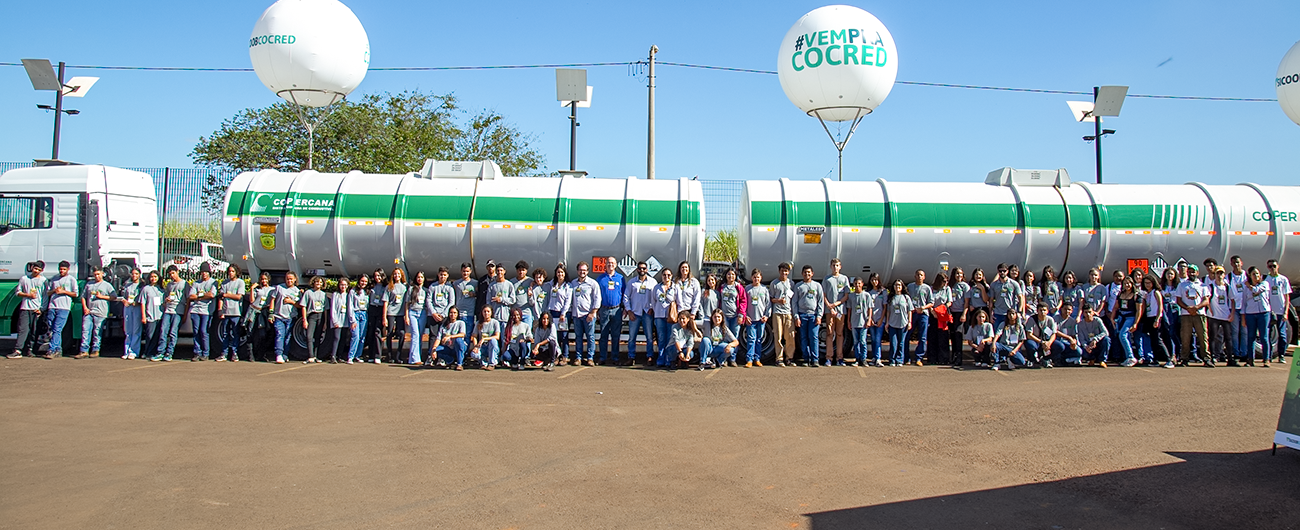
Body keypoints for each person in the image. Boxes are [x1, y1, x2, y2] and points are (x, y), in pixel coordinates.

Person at [1176, 265, 1211, 367]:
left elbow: (1206, 300)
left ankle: (1206, 358)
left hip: (1200, 314)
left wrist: (1196, 307)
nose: (1191, 274)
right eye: (1189, 271)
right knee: (1185, 337)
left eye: (1193, 272)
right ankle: (1184, 358)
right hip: (1186, 314)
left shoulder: (1202, 285)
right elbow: (1178, 300)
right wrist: (1188, 308)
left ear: (1197, 273)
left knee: (1203, 337)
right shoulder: (1182, 285)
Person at [8, 261, 45, 359]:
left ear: (42, 271)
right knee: (23, 329)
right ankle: (18, 350)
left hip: (36, 309)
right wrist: (27, 295)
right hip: (25, 307)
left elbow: (45, 296)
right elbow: (18, 292)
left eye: (39, 270)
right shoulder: (24, 279)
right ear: (32, 268)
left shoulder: (43, 281)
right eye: (35, 268)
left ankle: (30, 349)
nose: (36, 271)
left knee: (34, 331)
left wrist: (41, 309)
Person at [77, 266, 115, 359]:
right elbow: (83, 297)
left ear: (102, 274)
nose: (97, 276)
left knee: (97, 332)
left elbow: (113, 297)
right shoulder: (89, 284)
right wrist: (85, 308)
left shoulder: (107, 285)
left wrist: (102, 297)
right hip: (89, 311)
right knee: (85, 330)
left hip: (101, 312)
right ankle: (84, 350)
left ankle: (95, 350)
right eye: (95, 275)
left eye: (98, 274)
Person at [624, 261, 657, 366]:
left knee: (649, 337)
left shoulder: (653, 282)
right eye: (640, 268)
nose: (642, 270)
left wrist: (652, 308)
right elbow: (626, 297)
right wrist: (629, 310)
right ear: (637, 270)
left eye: (644, 268)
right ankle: (631, 357)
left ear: (647, 270)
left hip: (647, 312)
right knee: (632, 337)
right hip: (635, 313)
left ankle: (650, 357)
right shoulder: (632, 282)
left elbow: (657, 297)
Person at [43, 261, 78, 358]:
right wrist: (54, 290)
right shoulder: (54, 279)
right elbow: (48, 292)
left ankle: (52, 349)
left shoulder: (71, 280)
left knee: (57, 329)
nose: (62, 271)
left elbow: (75, 294)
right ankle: (58, 349)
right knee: (51, 327)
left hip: (64, 307)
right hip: (53, 306)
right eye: (60, 269)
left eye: (64, 269)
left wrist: (64, 291)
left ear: (68, 269)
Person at [570, 261, 601, 366]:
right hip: (576, 314)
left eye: (584, 270)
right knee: (578, 337)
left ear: (587, 271)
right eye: (580, 270)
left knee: (590, 337)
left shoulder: (592, 283)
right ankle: (578, 357)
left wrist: (593, 313)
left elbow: (597, 299)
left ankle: (590, 358)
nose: (582, 272)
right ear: (577, 271)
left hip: (588, 315)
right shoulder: (573, 283)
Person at [793, 265, 825, 367]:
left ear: (812, 274)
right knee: (803, 338)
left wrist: (819, 316)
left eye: (809, 272)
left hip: (813, 315)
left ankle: (815, 359)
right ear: (802, 274)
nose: (807, 274)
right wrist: (796, 316)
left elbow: (821, 301)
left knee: (814, 337)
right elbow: (794, 302)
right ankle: (806, 359)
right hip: (802, 315)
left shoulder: (817, 286)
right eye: (805, 272)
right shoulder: (798, 286)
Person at [822, 259, 851, 367]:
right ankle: (829, 357)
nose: (835, 267)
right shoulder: (827, 279)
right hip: (829, 311)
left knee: (839, 334)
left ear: (840, 267)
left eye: (837, 265)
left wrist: (837, 304)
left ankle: (839, 358)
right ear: (830, 266)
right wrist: (829, 306)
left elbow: (846, 295)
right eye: (833, 265)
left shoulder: (844, 279)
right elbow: (823, 294)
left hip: (840, 311)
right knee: (829, 334)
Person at [596, 256, 625, 365]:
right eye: (608, 263)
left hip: (616, 310)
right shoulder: (600, 278)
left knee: (616, 335)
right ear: (605, 265)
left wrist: (624, 308)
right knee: (603, 335)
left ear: (616, 265)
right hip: (604, 310)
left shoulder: (620, 278)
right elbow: (596, 295)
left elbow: (624, 294)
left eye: (612, 263)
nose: (610, 265)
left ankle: (615, 358)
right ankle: (602, 357)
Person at [186, 263, 218, 361]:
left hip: (206, 311)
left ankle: (205, 352)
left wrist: (199, 296)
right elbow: (191, 296)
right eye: (202, 272)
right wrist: (204, 296)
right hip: (195, 310)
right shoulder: (196, 283)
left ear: (209, 273)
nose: (204, 274)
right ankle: (197, 352)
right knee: (196, 331)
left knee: (204, 331)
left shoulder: (213, 282)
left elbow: (212, 295)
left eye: (206, 272)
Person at [156, 266, 188, 362]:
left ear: (177, 272)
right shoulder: (169, 285)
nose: (172, 276)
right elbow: (166, 295)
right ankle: (160, 352)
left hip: (178, 311)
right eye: (170, 274)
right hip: (168, 310)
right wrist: (166, 300)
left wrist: (185, 314)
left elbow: (188, 299)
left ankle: (169, 353)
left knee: (173, 332)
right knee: (163, 331)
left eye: (173, 273)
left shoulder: (184, 284)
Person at [542, 264, 573, 364]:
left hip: (563, 313)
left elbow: (568, 301)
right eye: (558, 272)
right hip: (552, 312)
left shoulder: (568, 286)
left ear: (565, 274)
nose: (560, 274)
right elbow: (542, 285)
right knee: (554, 336)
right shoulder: (552, 284)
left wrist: (563, 313)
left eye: (562, 272)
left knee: (563, 336)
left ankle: (565, 356)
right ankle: (555, 355)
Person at [719, 267, 750, 367]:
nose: (730, 276)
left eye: (732, 274)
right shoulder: (722, 286)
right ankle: (724, 358)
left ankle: (733, 359)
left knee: (735, 338)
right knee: (724, 337)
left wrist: (741, 315)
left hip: (735, 316)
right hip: (724, 317)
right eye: (729, 274)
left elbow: (743, 301)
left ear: (735, 276)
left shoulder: (739, 287)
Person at [268, 271, 301, 364]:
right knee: (280, 334)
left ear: (295, 280)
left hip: (291, 317)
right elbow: (272, 300)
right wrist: (271, 313)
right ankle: (278, 354)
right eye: (287, 279)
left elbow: (299, 305)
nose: (289, 281)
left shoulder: (297, 291)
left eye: (291, 279)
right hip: (279, 316)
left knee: (288, 336)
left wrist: (291, 302)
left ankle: (285, 355)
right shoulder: (279, 288)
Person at [1241, 266, 1271, 367]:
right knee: (1251, 336)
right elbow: (1244, 302)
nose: (1256, 276)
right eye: (1254, 274)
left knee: (1264, 336)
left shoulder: (1265, 284)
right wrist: (1243, 317)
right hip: (1250, 313)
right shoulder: (1245, 288)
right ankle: (1250, 359)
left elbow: (1256, 291)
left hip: (1263, 313)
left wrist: (1249, 286)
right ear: (1249, 275)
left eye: (1257, 274)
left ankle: (1266, 358)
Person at [768, 263, 797, 366]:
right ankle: (779, 358)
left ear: (788, 272)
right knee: (778, 336)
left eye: (786, 271)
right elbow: (770, 298)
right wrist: (778, 300)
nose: (784, 273)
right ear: (779, 271)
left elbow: (794, 299)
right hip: (777, 313)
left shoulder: (791, 284)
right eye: (782, 271)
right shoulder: (774, 283)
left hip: (788, 312)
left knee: (790, 336)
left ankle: (790, 358)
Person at [1138, 275, 1171, 367]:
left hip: (1155, 317)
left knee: (1158, 339)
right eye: (1145, 283)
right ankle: (1155, 360)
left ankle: (1169, 359)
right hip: (1148, 317)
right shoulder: (1146, 294)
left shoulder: (1156, 292)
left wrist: (1157, 319)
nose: (1147, 285)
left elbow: (1160, 306)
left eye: (1149, 283)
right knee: (1153, 340)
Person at [425, 267, 455, 366]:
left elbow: (451, 302)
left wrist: (443, 314)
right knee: (433, 336)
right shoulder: (433, 286)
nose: (442, 277)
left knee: (443, 337)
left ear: (447, 276)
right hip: (433, 315)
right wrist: (433, 313)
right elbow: (428, 300)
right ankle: (431, 356)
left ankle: (441, 357)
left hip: (444, 316)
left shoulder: (449, 288)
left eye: (444, 275)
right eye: (441, 274)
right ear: (438, 275)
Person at [1110, 276, 1142, 367]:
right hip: (1121, 316)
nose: (1127, 285)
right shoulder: (1120, 294)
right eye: (1125, 283)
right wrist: (1112, 318)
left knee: (1123, 335)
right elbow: (1115, 307)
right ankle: (1127, 357)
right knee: (1121, 336)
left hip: (1130, 317)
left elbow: (1139, 311)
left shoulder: (1136, 295)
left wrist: (1135, 323)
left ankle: (1131, 356)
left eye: (1129, 283)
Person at [1206, 266, 1235, 366]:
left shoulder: (1227, 287)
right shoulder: (1211, 286)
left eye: (1221, 273)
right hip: (1214, 316)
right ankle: (1213, 357)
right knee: (1213, 337)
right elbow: (1207, 299)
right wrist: (1210, 310)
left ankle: (1230, 358)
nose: (1219, 275)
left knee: (1228, 338)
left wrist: (1232, 313)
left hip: (1225, 316)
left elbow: (1232, 300)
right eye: (1217, 273)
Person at [216, 264, 245, 362]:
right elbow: (221, 297)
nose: (231, 273)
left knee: (235, 333)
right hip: (226, 311)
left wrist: (227, 294)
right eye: (229, 271)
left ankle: (234, 353)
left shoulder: (240, 282)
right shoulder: (225, 283)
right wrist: (220, 310)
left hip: (236, 312)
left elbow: (239, 297)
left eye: (232, 271)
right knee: (225, 333)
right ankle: (224, 353)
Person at [1266, 259, 1292, 364]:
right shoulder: (1266, 280)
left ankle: (1281, 355)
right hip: (1270, 312)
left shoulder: (1283, 279)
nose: (1272, 268)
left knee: (1282, 335)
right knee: (1269, 335)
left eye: (1274, 266)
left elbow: (1287, 297)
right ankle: (1270, 355)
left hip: (1281, 311)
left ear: (1278, 266)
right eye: (1270, 266)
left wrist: (1286, 311)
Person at [650, 268, 678, 367]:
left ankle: (669, 359)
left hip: (670, 316)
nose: (666, 277)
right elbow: (653, 302)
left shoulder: (675, 287)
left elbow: (679, 301)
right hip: (659, 316)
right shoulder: (656, 288)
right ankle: (661, 358)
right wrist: (656, 311)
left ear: (671, 276)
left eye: (668, 275)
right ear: (661, 276)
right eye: (664, 275)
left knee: (670, 338)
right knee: (661, 338)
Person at [905, 270, 934, 366]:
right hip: (912, 314)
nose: (919, 276)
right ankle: (906, 358)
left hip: (923, 314)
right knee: (907, 335)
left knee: (922, 337)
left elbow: (931, 302)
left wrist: (923, 307)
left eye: (921, 275)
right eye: (917, 275)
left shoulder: (927, 288)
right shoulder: (910, 287)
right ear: (914, 276)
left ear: (924, 277)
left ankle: (919, 358)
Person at [324, 277, 355, 363]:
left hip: (345, 320)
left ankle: (339, 356)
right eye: (341, 285)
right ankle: (333, 355)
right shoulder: (335, 295)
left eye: (345, 285)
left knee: (343, 338)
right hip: (337, 319)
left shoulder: (348, 295)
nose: (343, 286)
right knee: (336, 337)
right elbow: (333, 308)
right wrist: (334, 320)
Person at [885, 279, 916, 367]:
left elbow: (910, 310)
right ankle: (892, 360)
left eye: (899, 285)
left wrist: (909, 322)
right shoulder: (891, 298)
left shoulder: (906, 298)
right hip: (892, 323)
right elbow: (888, 311)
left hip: (903, 323)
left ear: (902, 287)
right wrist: (887, 323)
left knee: (901, 343)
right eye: (896, 285)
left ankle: (900, 360)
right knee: (893, 343)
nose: (897, 287)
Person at [244, 272, 274, 361]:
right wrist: (252, 288)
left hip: (264, 312)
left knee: (263, 335)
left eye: (265, 279)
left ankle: (261, 355)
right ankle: (250, 355)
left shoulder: (272, 289)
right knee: (250, 332)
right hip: (254, 311)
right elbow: (252, 301)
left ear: (268, 279)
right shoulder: (257, 290)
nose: (264, 281)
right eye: (262, 279)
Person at [744, 268, 771, 367]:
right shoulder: (747, 289)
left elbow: (768, 304)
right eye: (754, 277)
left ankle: (757, 358)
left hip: (761, 319)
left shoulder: (764, 289)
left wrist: (766, 316)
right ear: (751, 277)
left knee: (759, 339)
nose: (756, 279)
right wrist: (746, 316)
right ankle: (749, 360)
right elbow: (744, 303)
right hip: (751, 319)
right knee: (751, 339)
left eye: (758, 277)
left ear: (761, 278)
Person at [1226, 256, 1249, 364]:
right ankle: (1236, 353)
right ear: (1231, 264)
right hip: (1233, 308)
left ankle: (1244, 353)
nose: (1236, 264)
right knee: (1234, 332)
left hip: (1246, 308)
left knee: (1244, 331)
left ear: (1242, 263)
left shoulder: (1246, 276)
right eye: (1234, 263)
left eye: (1238, 262)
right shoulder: (1229, 277)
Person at [383, 268, 409, 363]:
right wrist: (384, 317)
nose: (396, 276)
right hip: (391, 312)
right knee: (389, 333)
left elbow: (406, 302)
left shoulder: (405, 287)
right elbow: (386, 302)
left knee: (401, 333)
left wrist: (406, 315)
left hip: (400, 313)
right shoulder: (389, 287)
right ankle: (389, 355)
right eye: (395, 274)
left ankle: (398, 355)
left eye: (398, 274)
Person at [847, 276, 873, 367]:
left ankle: (864, 359)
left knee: (863, 341)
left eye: (859, 283)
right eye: (855, 284)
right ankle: (857, 359)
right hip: (854, 322)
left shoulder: (866, 295)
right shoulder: (851, 296)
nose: (857, 285)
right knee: (856, 342)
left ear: (862, 284)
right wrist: (849, 321)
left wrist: (869, 319)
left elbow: (870, 308)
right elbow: (849, 310)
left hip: (863, 322)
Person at [300, 276, 327, 364]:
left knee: (318, 336)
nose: (318, 284)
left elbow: (326, 309)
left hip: (321, 315)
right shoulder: (308, 292)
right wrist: (304, 319)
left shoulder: (324, 294)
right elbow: (303, 306)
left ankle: (316, 356)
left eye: (320, 282)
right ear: (313, 283)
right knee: (309, 336)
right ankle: (310, 356)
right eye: (317, 282)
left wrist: (325, 322)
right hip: (312, 315)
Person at [928, 272, 953, 364]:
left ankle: (944, 358)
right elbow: (929, 301)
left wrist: (942, 308)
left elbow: (949, 301)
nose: (945, 283)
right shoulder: (931, 289)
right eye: (943, 281)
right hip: (933, 314)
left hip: (942, 315)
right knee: (932, 337)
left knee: (943, 337)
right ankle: (932, 358)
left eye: (946, 281)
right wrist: (932, 311)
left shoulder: (947, 289)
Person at [405, 270, 429, 365]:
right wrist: (406, 316)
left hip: (422, 313)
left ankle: (413, 358)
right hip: (413, 312)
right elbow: (407, 303)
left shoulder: (426, 290)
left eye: (421, 277)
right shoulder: (411, 289)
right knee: (415, 334)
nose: (420, 279)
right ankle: (416, 358)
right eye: (418, 277)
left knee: (420, 335)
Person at [989, 264, 1023, 330]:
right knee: (997, 333)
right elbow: (991, 300)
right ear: (998, 271)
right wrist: (990, 314)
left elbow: (1020, 297)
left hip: (1011, 313)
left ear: (1007, 271)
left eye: (1004, 271)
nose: (1002, 273)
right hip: (998, 313)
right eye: (1000, 271)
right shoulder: (994, 285)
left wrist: (1019, 311)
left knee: (1011, 333)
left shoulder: (1014, 283)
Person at [364, 268, 387, 363]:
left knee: (378, 332)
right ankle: (371, 355)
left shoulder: (385, 287)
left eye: (379, 276)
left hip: (380, 309)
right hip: (372, 308)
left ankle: (378, 355)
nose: (377, 278)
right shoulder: (371, 286)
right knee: (371, 332)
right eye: (375, 276)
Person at [947, 268, 970, 366]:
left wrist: (964, 314)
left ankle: (959, 357)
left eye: (960, 274)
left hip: (960, 313)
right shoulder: (951, 286)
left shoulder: (965, 286)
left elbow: (967, 302)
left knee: (958, 334)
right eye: (957, 274)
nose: (959, 275)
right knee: (952, 335)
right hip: (951, 313)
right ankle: (954, 356)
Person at [140, 270, 164, 361]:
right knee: (150, 335)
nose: (153, 278)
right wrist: (143, 316)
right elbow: (143, 303)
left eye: (155, 277)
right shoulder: (146, 289)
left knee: (157, 336)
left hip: (160, 315)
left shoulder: (161, 289)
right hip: (150, 315)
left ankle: (153, 352)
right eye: (152, 277)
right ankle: (147, 352)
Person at [120, 268, 143, 360]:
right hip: (128, 308)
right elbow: (122, 296)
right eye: (133, 274)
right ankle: (126, 350)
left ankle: (134, 351)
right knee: (128, 330)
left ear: (139, 275)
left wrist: (137, 303)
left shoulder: (142, 286)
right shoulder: (127, 285)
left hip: (137, 308)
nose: (134, 276)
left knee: (136, 330)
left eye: (136, 274)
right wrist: (124, 301)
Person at [1025, 303, 1058, 367]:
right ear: (1037, 311)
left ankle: (1046, 359)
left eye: (1044, 310)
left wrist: (1049, 343)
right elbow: (1029, 335)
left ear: (1047, 311)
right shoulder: (1032, 319)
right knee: (1030, 345)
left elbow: (1054, 334)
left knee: (1060, 346)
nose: (1043, 312)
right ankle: (1032, 359)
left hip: (1046, 340)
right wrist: (1041, 342)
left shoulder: (1050, 319)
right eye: (1041, 310)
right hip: (1035, 340)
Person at [347, 274, 370, 364]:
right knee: (355, 336)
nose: (363, 283)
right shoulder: (353, 291)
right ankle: (350, 356)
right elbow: (350, 306)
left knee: (362, 337)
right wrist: (352, 320)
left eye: (365, 282)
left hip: (364, 314)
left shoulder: (367, 292)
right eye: (362, 281)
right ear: (359, 281)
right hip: (355, 314)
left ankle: (358, 355)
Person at [470, 305, 501, 370]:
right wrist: (476, 346)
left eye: (488, 311)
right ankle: (483, 363)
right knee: (474, 354)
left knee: (493, 340)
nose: (486, 313)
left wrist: (484, 339)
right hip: (482, 346)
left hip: (491, 345)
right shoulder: (478, 323)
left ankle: (492, 364)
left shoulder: (495, 322)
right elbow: (474, 336)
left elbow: (497, 336)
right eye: (484, 311)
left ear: (491, 312)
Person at [867, 273, 888, 367]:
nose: (874, 282)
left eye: (876, 280)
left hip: (880, 319)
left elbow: (884, 307)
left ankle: (878, 358)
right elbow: (867, 307)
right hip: (872, 319)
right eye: (872, 280)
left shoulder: (883, 292)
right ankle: (874, 358)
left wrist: (881, 319)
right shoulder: (869, 292)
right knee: (873, 339)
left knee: (878, 339)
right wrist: (870, 319)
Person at [511, 261, 536, 328]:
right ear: (516, 271)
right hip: (515, 313)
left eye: (523, 270)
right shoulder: (512, 282)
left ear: (526, 271)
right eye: (519, 270)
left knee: (527, 333)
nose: (521, 272)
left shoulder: (531, 281)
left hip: (527, 312)